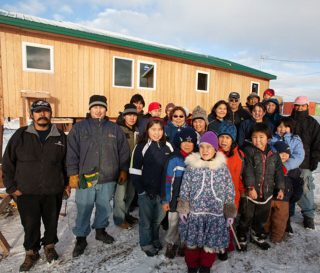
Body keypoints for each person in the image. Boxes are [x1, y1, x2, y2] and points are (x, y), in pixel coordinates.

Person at [2, 100, 68, 271]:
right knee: (30, 224)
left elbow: (66, 163)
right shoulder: (21, 135)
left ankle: (49, 246)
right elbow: (8, 162)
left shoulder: (60, 136)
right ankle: (31, 252)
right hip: (26, 191)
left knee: (51, 222)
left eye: (45, 111)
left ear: (50, 114)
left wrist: (66, 184)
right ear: (32, 115)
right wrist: (11, 186)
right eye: (38, 111)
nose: (42, 114)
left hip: (53, 189)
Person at [67, 95, 130, 257]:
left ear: (106, 109)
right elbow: (72, 153)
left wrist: (123, 169)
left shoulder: (114, 129)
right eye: (95, 107)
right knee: (84, 208)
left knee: (104, 207)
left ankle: (100, 230)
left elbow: (123, 151)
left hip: (108, 177)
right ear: (89, 109)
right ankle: (81, 237)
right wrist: (73, 173)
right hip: (86, 177)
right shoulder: (79, 128)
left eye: (101, 107)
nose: (98, 110)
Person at [178, 131, 236, 273]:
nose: (205, 150)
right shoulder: (192, 167)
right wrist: (183, 208)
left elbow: (229, 191)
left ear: (215, 149)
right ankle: (192, 266)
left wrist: (229, 212)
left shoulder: (222, 169)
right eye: (202, 147)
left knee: (210, 243)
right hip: (195, 213)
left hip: (214, 214)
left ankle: (205, 266)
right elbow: (184, 188)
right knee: (192, 243)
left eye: (208, 147)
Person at [237, 123, 285, 251]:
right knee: (246, 216)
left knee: (261, 217)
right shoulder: (248, 151)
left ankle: (257, 234)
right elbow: (247, 171)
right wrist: (251, 187)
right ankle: (241, 236)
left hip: (267, 192)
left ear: (268, 138)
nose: (257, 140)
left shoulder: (273, 153)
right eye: (254, 137)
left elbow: (279, 171)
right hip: (251, 193)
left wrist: (280, 187)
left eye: (261, 137)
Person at [130, 118, 174, 257]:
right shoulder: (141, 146)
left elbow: (172, 168)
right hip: (146, 192)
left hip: (163, 193)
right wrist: (141, 191)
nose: (157, 133)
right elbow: (134, 170)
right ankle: (146, 243)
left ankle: (155, 239)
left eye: (160, 129)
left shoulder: (168, 146)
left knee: (158, 219)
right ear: (147, 130)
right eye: (153, 129)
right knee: (146, 220)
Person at [162, 127, 198, 259]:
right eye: (184, 142)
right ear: (179, 143)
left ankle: (184, 243)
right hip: (174, 199)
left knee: (187, 222)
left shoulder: (197, 159)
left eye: (191, 142)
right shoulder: (174, 159)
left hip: (190, 200)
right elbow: (167, 182)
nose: (188, 145)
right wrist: (166, 199)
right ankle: (171, 243)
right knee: (174, 222)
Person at [269, 116, 305, 232]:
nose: (282, 129)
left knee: (293, 196)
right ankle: (279, 222)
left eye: (286, 126)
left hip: (292, 172)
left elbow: (299, 156)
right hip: (276, 172)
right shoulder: (272, 140)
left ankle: (287, 219)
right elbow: (271, 154)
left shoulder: (296, 140)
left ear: (290, 128)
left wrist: (286, 166)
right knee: (279, 197)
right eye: (280, 126)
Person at [290, 96, 320, 229]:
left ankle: (308, 216)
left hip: (305, 162)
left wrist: (314, 159)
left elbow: (317, 144)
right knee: (286, 187)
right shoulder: (288, 121)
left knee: (306, 188)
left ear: (307, 107)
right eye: (297, 105)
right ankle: (287, 213)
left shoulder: (313, 123)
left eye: (302, 106)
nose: (299, 108)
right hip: (288, 161)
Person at [264, 141, 303, 242]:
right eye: (281, 153)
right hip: (269, 197)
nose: (284, 156)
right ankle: (264, 232)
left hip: (284, 200)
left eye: (287, 154)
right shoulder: (270, 166)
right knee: (266, 217)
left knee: (280, 220)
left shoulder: (293, 169)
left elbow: (298, 184)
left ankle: (277, 237)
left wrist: (294, 197)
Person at [217, 122, 244, 260]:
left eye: (227, 138)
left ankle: (224, 247)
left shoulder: (239, 155)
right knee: (217, 221)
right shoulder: (214, 153)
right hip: (216, 195)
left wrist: (242, 190)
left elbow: (241, 176)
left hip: (233, 195)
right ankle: (217, 245)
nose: (224, 141)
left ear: (233, 139)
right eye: (221, 137)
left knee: (228, 221)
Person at [113, 103, 140, 229]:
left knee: (130, 194)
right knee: (120, 195)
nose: (132, 118)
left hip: (133, 168)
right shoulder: (118, 130)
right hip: (121, 168)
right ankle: (119, 219)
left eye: (134, 115)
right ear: (124, 116)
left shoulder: (137, 130)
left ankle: (126, 213)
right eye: (129, 115)